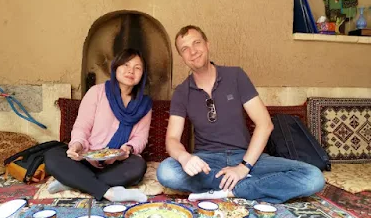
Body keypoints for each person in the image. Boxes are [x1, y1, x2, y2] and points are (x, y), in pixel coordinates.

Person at [156, 25, 325, 204]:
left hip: (246, 157)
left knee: (313, 177)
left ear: (207, 44)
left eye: (196, 43)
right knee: (166, 171)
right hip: (208, 162)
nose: (192, 51)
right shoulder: (182, 92)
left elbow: (265, 124)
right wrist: (185, 158)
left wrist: (243, 168)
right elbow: (172, 139)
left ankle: (230, 190)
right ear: (182, 57)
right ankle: (248, 188)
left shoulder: (235, 76)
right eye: (185, 49)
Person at [45, 48, 152, 202]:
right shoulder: (97, 92)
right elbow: (82, 127)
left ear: (143, 74)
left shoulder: (144, 105)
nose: (131, 71)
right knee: (52, 155)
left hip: (115, 163)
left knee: (138, 166)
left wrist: (128, 149)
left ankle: (75, 182)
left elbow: (140, 138)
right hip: (85, 159)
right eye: (126, 65)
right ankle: (108, 192)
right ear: (115, 68)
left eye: (137, 68)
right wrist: (76, 145)